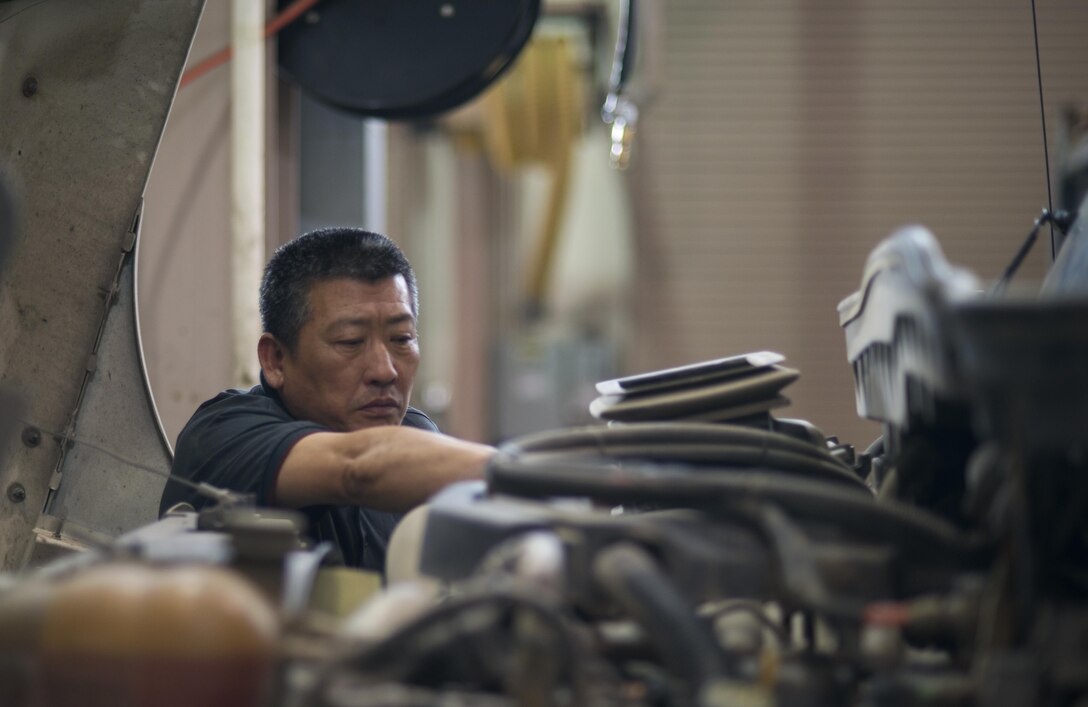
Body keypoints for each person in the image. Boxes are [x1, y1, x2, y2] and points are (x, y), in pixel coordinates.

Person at [159, 227, 494, 571]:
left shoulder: (414, 433)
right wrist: (525, 474)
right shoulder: (223, 436)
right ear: (275, 359)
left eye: (401, 338)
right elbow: (360, 467)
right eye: (350, 342)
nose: (385, 371)